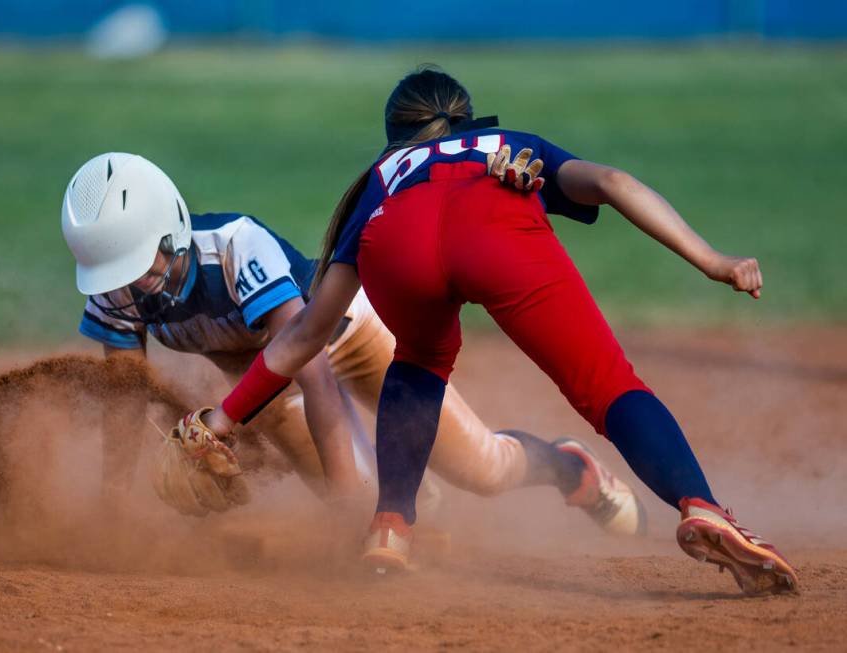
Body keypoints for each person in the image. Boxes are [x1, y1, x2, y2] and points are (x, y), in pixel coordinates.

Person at [200, 68, 798, 595]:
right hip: (497, 231)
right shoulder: (507, 144)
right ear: (464, 117)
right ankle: (701, 507)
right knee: (605, 383)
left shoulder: (380, 177)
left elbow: (308, 332)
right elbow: (614, 183)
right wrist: (713, 261)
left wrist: (221, 419)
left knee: (419, 361)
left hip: (395, 242)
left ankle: (390, 528)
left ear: (396, 134)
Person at [60, 152, 648, 535]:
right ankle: (410, 501)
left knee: (482, 470)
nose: (129, 285)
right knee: (362, 504)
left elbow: (309, 365)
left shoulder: (235, 246)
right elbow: (122, 397)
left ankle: (567, 467)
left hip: (352, 336)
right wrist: (113, 505)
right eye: (112, 273)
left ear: (173, 227)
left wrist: (355, 514)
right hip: (268, 381)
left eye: (139, 264)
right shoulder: (116, 291)